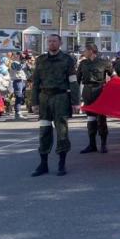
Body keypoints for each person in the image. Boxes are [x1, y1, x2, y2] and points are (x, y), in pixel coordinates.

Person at [30, 34, 80, 177]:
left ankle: (61, 163)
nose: (51, 43)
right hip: (44, 98)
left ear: (60, 43)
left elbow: (73, 82)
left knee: (62, 131)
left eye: (54, 41)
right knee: (44, 131)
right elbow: (36, 83)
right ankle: (43, 164)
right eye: (49, 41)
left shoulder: (67, 60)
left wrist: (76, 102)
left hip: (61, 98)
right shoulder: (41, 60)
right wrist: (34, 102)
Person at [76, 43, 113, 154]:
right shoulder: (83, 64)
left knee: (101, 119)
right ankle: (92, 145)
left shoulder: (104, 63)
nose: (83, 53)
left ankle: (103, 144)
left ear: (91, 51)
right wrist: (75, 97)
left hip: (100, 91)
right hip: (87, 92)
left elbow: (114, 77)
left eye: (85, 50)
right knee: (90, 120)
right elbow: (77, 80)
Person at [9, 53, 28, 120]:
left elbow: (26, 70)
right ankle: (17, 113)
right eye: (19, 55)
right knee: (18, 97)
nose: (20, 56)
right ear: (15, 56)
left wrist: (26, 60)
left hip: (22, 81)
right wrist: (23, 61)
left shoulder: (21, 62)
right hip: (17, 81)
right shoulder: (13, 63)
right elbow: (18, 68)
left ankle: (19, 112)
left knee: (21, 97)